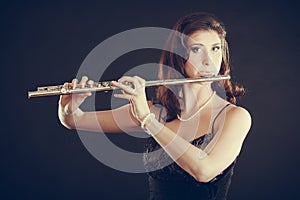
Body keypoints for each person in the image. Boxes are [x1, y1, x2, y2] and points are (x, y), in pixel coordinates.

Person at [58, 12, 251, 200]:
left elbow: (204, 171)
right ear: (178, 55)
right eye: (196, 49)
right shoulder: (158, 111)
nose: (209, 61)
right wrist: (69, 107)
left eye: (215, 49)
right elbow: (75, 120)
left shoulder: (235, 117)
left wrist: (147, 121)